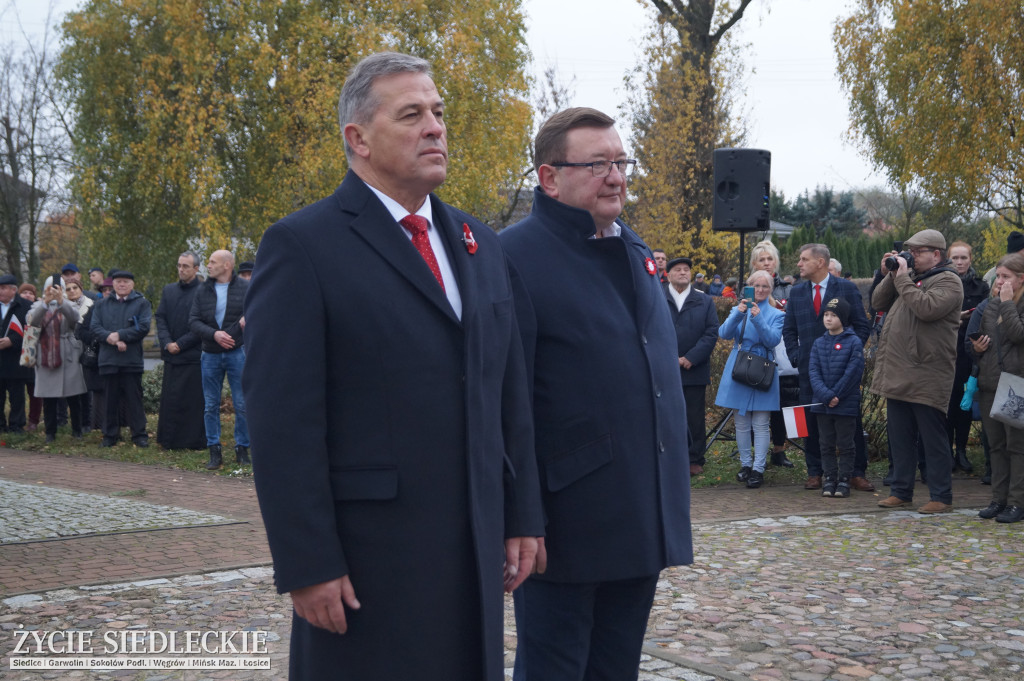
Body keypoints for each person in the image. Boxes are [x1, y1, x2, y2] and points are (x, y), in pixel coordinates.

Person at [242, 52, 543, 681]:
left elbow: (505, 394)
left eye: (437, 112)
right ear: (358, 139)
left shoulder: (479, 243)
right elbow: (283, 420)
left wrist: (521, 515)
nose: (435, 127)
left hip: (474, 549)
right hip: (369, 560)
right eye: (412, 115)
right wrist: (307, 561)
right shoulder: (304, 245)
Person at [500, 107, 692, 681]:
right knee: (553, 669)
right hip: (565, 520)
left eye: (621, 161)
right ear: (549, 177)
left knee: (616, 668)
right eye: (598, 164)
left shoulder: (635, 250)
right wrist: (522, 516)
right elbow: (508, 405)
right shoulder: (513, 257)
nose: (616, 176)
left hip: (640, 505)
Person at [872, 229, 963, 513]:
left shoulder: (949, 281)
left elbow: (926, 308)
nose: (911, 256)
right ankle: (901, 490)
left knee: (933, 438)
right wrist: (891, 273)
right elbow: (877, 303)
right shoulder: (910, 278)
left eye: (918, 252)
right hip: (899, 370)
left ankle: (941, 496)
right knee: (899, 436)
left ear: (936, 254)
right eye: (909, 251)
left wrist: (902, 278)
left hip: (927, 372)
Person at [782, 243, 873, 492]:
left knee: (848, 422)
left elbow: (861, 326)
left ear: (820, 262)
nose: (799, 264)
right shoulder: (797, 292)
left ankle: (854, 473)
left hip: (842, 373)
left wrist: (850, 352)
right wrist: (796, 356)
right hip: (810, 373)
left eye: (803, 259)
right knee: (812, 422)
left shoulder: (846, 288)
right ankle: (816, 472)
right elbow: (789, 330)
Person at [715, 269, 785, 488]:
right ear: (749, 287)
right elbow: (724, 333)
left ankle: (758, 468)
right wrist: (739, 312)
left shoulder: (777, 314)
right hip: (739, 367)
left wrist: (758, 318)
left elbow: (772, 340)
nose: (761, 290)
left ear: (771, 289)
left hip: (762, 368)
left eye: (765, 287)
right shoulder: (739, 308)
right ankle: (745, 465)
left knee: (762, 423)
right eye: (757, 286)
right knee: (742, 423)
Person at [967, 252, 1024, 523]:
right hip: (990, 383)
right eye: (998, 276)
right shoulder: (990, 305)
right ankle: (998, 499)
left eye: (1006, 277)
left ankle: (1017, 502)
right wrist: (975, 348)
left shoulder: (1010, 304)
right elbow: (973, 342)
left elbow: (1018, 335)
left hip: (1016, 384)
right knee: (996, 447)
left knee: (1017, 447)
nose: (999, 281)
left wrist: (1006, 304)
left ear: (1021, 279)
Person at [189, 249, 249, 468]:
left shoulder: (245, 288)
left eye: (213, 262)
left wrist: (247, 319)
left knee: (242, 404)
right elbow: (194, 321)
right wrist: (214, 334)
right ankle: (214, 451)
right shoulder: (202, 290)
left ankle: (242, 449)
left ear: (227, 265)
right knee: (211, 405)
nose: (208, 265)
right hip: (210, 354)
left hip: (237, 352)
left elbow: (259, 309)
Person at [666, 256, 719, 476]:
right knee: (665, 414)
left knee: (694, 416)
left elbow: (711, 332)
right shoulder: (657, 297)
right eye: (677, 269)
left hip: (694, 369)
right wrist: (667, 358)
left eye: (686, 269)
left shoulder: (704, 301)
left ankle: (694, 458)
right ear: (668, 274)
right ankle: (667, 458)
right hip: (664, 369)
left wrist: (690, 358)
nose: (683, 273)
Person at [809, 297, 865, 498]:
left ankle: (844, 480)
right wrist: (825, 395)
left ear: (843, 318)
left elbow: (853, 372)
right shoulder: (818, 343)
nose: (828, 319)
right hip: (823, 405)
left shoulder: (853, 342)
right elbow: (813, 371)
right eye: (826, 315)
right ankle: (830, 478)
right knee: (826, 443)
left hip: (845, 404)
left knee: (846, 443)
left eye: (833, 315)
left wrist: (836, 395)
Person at [90, 270, 151, 447]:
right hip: (108, 358)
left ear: (132, 285)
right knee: (110, 399)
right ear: (113, 284)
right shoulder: (101, 304)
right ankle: (110, 434)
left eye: (125, 282)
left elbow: (144, 327)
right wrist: (110, 338)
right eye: (118, 282)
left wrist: (120, 335)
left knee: (134, 399)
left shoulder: (142, 303)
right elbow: (95, 327)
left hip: (131, 359)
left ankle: (139, 434)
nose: (121, 285)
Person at [749, 239, 795, 468]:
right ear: (754, 263)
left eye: (770, 259)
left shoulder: (787, 287)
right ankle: (757, 453)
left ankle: (779, 449)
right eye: (762, 260)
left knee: (781, 403)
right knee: (756, 404)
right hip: (757, 352)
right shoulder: (747, 289)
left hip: (783, 352)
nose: (766, 263)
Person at [27, 276, 87, 442]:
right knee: (48, 397)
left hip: (68, 354)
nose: (53, 292)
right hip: (45, 354)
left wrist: (62, 301)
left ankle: (77, 430)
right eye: (49, 288)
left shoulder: (70, 305)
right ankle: (50, 432)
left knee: (74, 396)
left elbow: (75, 319)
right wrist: (45, 303)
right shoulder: (37, 306)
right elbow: (32, 322)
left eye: (57, 289)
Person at [155, 251, 205, 450]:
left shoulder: (204, 291)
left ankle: (192, 442)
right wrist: (167, 342)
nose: (181, 270)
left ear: (196, 268)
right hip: (171, 354)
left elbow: (204, 322)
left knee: (191, 401)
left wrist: (181, 344)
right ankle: (168, 440)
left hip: (192, 355)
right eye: (179, 265)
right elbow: (160, 317)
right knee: (171, 400)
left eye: (186, 266)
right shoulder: (169, 290)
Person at [946, 241, 989, 474]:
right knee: (946, 406)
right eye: (955, 258)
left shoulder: (981, 286)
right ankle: (947, 452)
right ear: (948, 259)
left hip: (968, 353)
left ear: (971, 259)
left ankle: (961, 451)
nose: (960, 262)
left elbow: (986, 316)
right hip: (944, 352)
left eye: (964, 258)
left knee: (963, 405)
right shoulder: (941, 284)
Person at [0, 274, 33, 433]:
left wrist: (12, 341)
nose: (0, 291)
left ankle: (16, 426)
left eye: (3, 288)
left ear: (13, 290)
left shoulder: (26, 306)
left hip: (16, 359)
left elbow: (31, 332)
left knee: (17, 396)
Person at [64, 278, 94, 431]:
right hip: (69, 350)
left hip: (87, 348)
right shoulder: (62, 306)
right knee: (72, 386)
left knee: (87, 385)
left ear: (81, 288)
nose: (72, 291)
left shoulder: (91, 303)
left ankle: (87, 422)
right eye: (68, 289)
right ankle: (75, 423)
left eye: (74, 287)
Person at [17, 283, 43, 431]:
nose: (27, 295)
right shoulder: (16, 309)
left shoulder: (39, 310)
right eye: (24, 292)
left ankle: (34, 420)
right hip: (17, 353)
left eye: (31, 293)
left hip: (35, 354)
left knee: (34, 389)